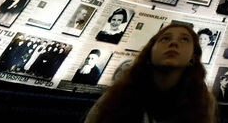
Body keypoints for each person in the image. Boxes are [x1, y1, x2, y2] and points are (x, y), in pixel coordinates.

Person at [84, 24, 215, 123]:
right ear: (150, 52)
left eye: (184, 40)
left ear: (192, 57)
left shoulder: (201, 103)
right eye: (165, 39)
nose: (173, 43)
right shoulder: (116, 97)